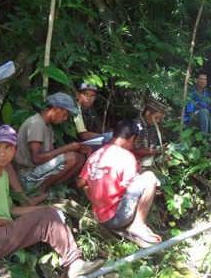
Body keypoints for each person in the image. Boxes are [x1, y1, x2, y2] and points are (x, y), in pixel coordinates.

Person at [0, 125, 103, 278]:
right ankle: (74, 263)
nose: (2, 153)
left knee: (48, 213)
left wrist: (43, 209)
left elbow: (11, 210)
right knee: (47, 217)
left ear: (14, 151)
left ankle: (74, 261)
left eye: (8, 147)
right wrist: (7, 222)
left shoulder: (2, 175)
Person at [76, 120, 161, 248]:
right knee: (149, 177)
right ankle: (138, 225)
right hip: (116, 218)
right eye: (133, 142)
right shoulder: (127, 156)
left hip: (98, 215)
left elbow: (80, 183)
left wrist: (89, 191)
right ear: (131, 139)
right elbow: (131, 188)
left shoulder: (96, 154)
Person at [13, 92, 91, 195]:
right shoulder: (36, 123)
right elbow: (36, 158)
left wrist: (76, 148)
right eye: (65, 114)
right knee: (72, 157)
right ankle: (40, 190)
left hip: (37, 171)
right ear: (56, 109)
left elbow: (52, 154)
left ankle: (50, 188)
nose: (65, 118)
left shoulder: (47, 126)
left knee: (80, 158)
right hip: (27, 174)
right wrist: (68, 148)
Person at [133, 97, 169, 168]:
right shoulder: (136, 126)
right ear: (147, 113)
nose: (158, 121)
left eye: (160, 119)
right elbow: (132, 151)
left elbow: (150, 147)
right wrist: (157, 151)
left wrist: (160, 150)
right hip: (137, 165)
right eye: (157, 118)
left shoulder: (151, 125)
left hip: (149, 161)